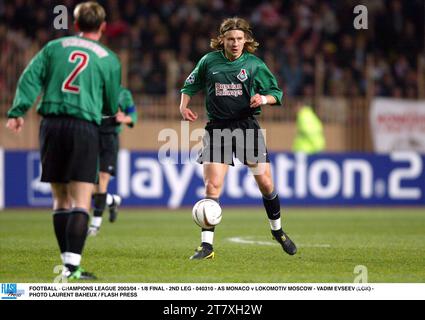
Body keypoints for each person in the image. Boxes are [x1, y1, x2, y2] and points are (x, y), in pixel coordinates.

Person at [6, 1, 121, 279]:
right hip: (84, 126)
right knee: (82, 199)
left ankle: (65, 263)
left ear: (76, 25)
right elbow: (110, 102)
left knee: (60, 201)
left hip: (52, 125)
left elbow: (29, 78)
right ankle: (72, 267)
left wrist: (18, 110)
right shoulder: (108, 58)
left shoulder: (54, 48)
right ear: (103, 28)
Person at [179, 17, 297, 260]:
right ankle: (206, 246)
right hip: (217, 128)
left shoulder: (254, 65)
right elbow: (189, 86)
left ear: (246, 41)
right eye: (231, 39)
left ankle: (277, 230)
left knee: (265, 183)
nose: (235, 43)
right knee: (212, 186)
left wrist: (263, 99)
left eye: (240, 39)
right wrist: (183, 107)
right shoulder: (208, 61)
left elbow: (276, 93)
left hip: (247, 127)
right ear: (222, 40)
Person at [88, 87, 138, 236]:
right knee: (89, 187)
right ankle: (111, 201)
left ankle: (94, 226)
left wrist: (124, 118)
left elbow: (133, 115)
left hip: (109, 140)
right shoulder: (92, 88)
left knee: (102, 180)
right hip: (90, 137)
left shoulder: (123, 93)